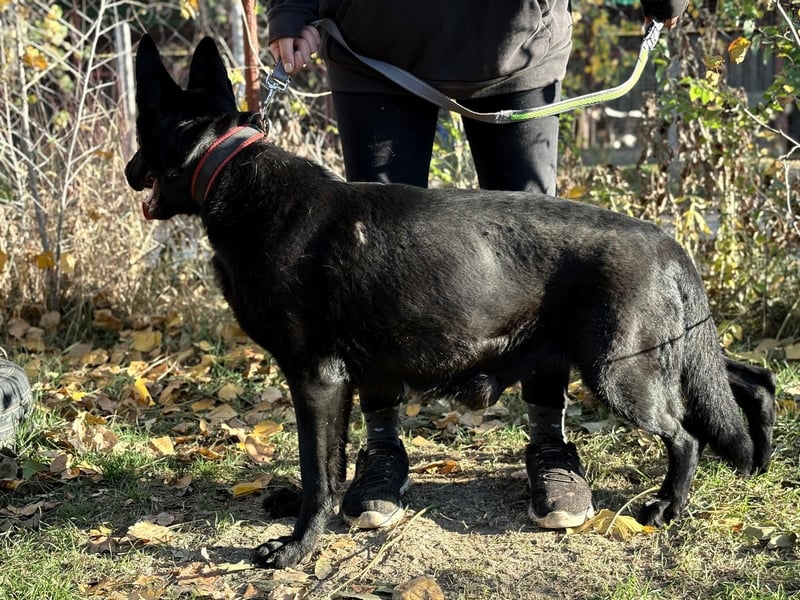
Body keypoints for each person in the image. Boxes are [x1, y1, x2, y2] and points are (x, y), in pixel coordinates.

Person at [265, 0, 685, 530]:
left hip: (516, 45)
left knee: (544, 261)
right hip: (375, 45)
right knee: (373, 267)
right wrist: (291, 13)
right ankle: (381, 445)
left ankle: (549, 440)